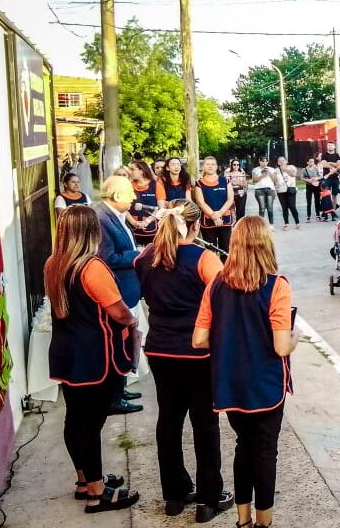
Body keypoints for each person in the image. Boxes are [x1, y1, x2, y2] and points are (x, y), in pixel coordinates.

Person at [192, 216, 300, 528]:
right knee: (265, 453)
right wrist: (296, 336)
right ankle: (264, 522)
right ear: (267, 244)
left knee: (243, 446)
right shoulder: (276, 286)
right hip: (266, 385)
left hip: (229, 384)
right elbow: (282, 347)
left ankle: (243, 520)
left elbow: (199, 339)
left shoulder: (216, 285)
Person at [133, 200, 233, 520]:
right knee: (205, 423)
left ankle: (174, 496)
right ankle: (208, 498)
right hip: (197, 351)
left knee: (169, 420)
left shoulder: (145, 257)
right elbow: (225, 299)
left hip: (160, 348)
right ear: (197, 225)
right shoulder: (204, 258)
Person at [45, 205, 140, 514]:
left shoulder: (53, 264)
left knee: (75, 418)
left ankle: (85, 479)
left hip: (66, 350)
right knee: (91, 423)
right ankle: (98, 493)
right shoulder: (91, 267)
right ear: (91, 232)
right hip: (95, 354)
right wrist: (132, 322)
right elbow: (117, 310)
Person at [93, 176, 144, 415]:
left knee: (124, 342)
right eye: (130, 193)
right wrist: (138, 255)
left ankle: (120, 389)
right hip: (118, 291)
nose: (134, 197)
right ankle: (114, 397)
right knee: (118, 343)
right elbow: (108, 258)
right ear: (116, 196)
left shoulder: (113, 215)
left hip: (127, 290)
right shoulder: (102, 218)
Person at [193, 155, 235, 257]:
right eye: (208, 164)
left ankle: (225, 270)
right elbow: (201, 203)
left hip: (225, 219)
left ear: (217, 166)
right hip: (207, 220)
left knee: (225, 248)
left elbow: (230, 199)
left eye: (213, 164)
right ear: (203, 167)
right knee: (210, 249)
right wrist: (213, 216)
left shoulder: (225, 181)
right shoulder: (199, 183)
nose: (210, 166)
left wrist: (219, 214)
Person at [127, 160, 159, 246]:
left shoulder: (156, 185)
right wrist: (133, 222)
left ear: (141, 171)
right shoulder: (127, 185)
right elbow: (123, 208)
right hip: (132, 228)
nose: (129, 172)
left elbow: (161, 207)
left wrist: (147, 221)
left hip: (152, 229)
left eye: (132, 169)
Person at [250, 157, 279, 225]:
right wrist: (262, 175)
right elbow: (254, 180)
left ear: (267, 162)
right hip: (259, 190)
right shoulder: (255, 170)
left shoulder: (271, 169)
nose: (264, 163)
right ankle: (261, 225)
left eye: (266, 161)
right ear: (259, 161)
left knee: (270, 208)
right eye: (262, 161)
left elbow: (275, 180)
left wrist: (269, 172)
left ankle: (271, 225)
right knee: (262, 208)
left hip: (270, 190)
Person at [275, 156, 300, 230]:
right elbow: (274, 180)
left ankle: (297, 223)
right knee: (284, 207)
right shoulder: (276, 170)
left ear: (286, 161)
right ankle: (286, 223)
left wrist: (285, 169)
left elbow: (294, 174)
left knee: (292, 206)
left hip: (291, 189)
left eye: (283, 160)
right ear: (278, 163)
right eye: (280, 161)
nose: (281, 162)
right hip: (280, 190)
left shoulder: (291, 167)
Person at [299, 157, 321, 222]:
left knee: (317, 201)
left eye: (313, 161)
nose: (312, 163)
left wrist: (316, 178)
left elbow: (320, 176)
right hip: (309, 186)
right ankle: (308, 216)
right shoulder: (304, 169)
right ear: (307, 162)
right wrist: (307, 180)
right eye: (310, 161)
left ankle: (318, 215)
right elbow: (301, 178)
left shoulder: (316, 168)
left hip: (316, 185)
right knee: (309, 201)